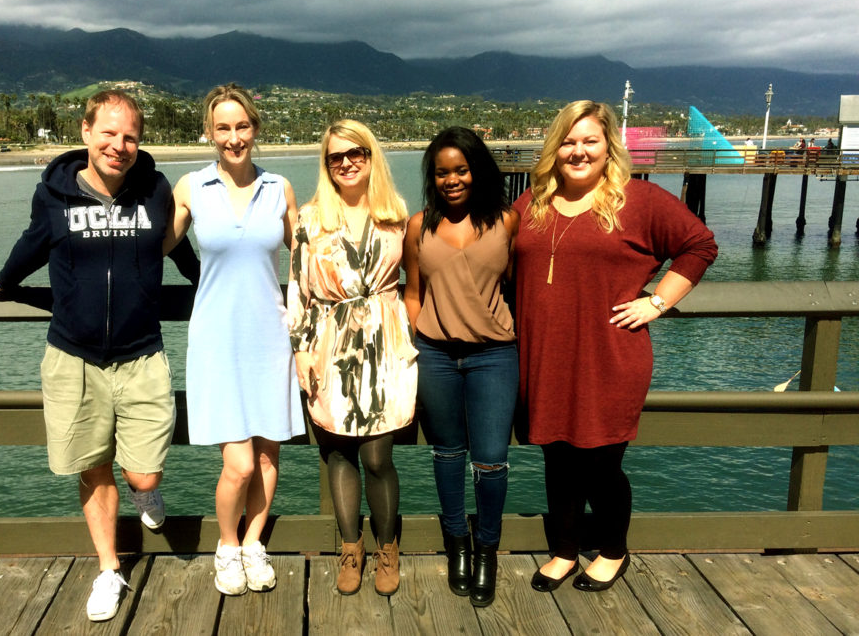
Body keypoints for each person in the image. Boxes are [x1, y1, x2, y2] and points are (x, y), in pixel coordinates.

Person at [0, 90, 190, 622]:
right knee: (94, 467)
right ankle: (108, 569)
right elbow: (33, 242)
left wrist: (212, 285)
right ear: (85, 132)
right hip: (74, 357)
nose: (119, 146)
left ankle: (146, 495)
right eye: (109, 134)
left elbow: (179, 247)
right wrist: (4, 281)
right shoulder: (54, 195)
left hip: (142, 354)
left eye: (130, 137)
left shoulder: (155, 190)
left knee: (142, 474)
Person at [513, 101, 717, 593]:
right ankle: (563, 549)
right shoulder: (531, 203)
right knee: (557, 457)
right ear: (553, 148)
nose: (578, 151)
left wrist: (658, 302)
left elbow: (699, 244)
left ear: (609, 147)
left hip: (609, 355)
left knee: (603, 462)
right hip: (544, 354)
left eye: (590, 141)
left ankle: (612, 550)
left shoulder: (639, 200)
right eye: (568, 141)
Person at [169, 83, 305, 596]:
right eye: (223, 128)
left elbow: (309, 255)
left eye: (242, 126)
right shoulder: (190, 188)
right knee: (239, 461)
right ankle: (227, 547)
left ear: (255, 129)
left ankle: (253, 543)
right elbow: (154, 245)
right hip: (216, 340)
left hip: (270, 335)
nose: (233, 137)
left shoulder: (280, 188)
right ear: (209, 133)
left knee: (269, 456)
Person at [288, 119, 417, 596]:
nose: (346, 163)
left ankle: (387, 547)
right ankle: (350, 546)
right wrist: (300, 350)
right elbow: (298, 289)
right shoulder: (309, 218)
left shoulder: (395, 214)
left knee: (378, 455)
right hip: (329, 343)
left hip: (386, 342)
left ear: (371, 155)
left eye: (355, 153)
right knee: (338, 452)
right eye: (335, 157)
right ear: (326, 165)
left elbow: (421, 280)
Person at [402, 127, 519, 607]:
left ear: (478, 170)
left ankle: (487, 549)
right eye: (442, 172)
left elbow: (520, 287)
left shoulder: (506, 222)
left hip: (494, 355)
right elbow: (412, 293)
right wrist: (423, 332)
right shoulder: (419, 226)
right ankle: (457, 547)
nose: (452, 180)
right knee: (447, 455)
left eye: (461, 169)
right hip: (436, 355)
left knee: (490, 460)